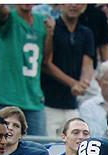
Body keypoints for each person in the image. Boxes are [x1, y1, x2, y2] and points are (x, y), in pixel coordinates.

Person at [0, 4, 53, 136]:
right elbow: (4, 14)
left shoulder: (42, 21)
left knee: (39, 148)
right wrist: (1, 8)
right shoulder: (10, 17)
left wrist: (50, 33)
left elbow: (46, 60)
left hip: (33, 96)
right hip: (6, 96)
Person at [41, 4, 95, 139]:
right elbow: (46, 63)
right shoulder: (52, 28)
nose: (73, 5)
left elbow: (88, 63)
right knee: (48, 145)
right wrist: (73, 84)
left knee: (75, 145)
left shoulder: (86, 32)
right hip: (49, 102)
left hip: (72, 104)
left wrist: (84, 82)